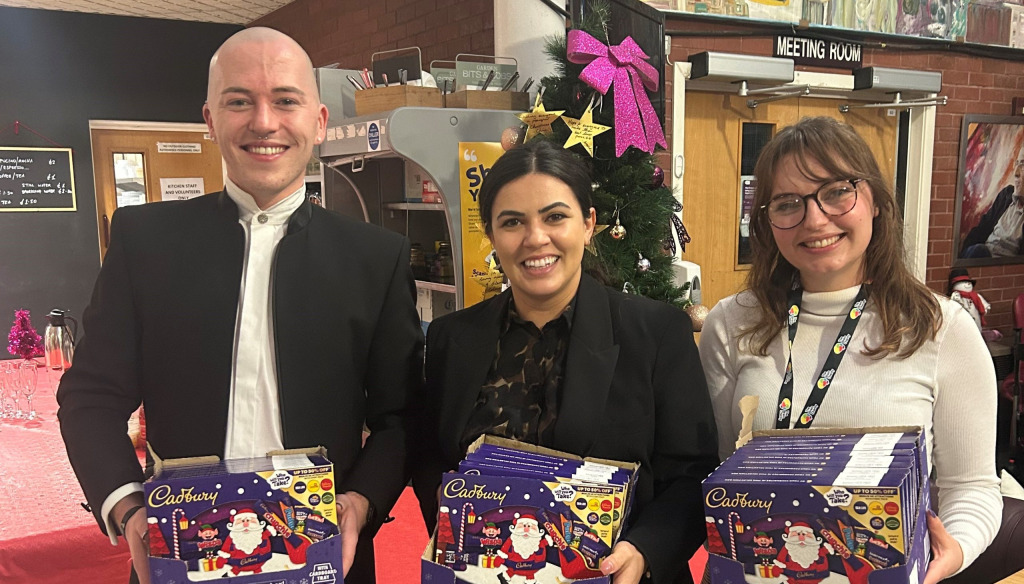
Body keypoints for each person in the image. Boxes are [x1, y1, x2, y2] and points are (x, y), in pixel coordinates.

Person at [57, 27, 423, 584]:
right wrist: (126, 505)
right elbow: (90, 399)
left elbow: (399, 419)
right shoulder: (144, 242)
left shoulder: (377, 258)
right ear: (209, 120)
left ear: (319, 121)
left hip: (324, 558)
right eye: (238, 101)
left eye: (285, 99)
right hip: (179, 555)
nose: (264, 121)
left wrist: (362, 501)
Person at [699, 116, 1024, 583]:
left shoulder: (942, 329)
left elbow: (971, 488)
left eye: (835, 192)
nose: (814, 219)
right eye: (788, 203)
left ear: (873, 200)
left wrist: (949, 554)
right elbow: (722, 467)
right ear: (768, 223)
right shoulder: (730, 323)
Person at [411, 139, 719, 584]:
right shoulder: (452, 338)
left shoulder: (655, 333)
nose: (536, 238)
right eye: (512, 222)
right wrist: (457, 532)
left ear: (589, 223)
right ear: (492, 235)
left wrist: (644, 550)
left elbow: (692, 474)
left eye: (555, 216)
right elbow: (430, 458)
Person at [959, 147, 1024, 258]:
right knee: (976, 250)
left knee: (978, 251)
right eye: (1016, 163)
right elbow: (982, 228)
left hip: (1001, 268)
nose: (1016, 173)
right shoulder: (1006, 195)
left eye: (1022, 165)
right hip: (981, 256)